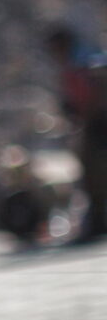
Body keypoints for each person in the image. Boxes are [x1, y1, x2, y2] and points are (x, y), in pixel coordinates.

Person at [44, 25, 107, 243]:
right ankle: (98, 219)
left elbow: (94, 95)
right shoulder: (74, 62)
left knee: (96, 172)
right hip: (91, 124)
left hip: (99, 123)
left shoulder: (86, 61)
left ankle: (99, 219)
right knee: (91, 174)